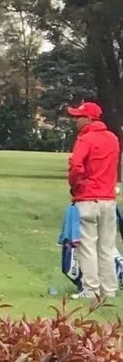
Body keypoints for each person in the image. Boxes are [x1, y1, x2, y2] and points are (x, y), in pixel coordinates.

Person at [66, 100, 120, 299]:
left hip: (87, 198)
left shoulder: (85, 139)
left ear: (89, 119)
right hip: (108, 199)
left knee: (87, 245)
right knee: (107, 246)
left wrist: (75, 186)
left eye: (78, 117)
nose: (75, 121)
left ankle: (91, 290)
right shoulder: (113, 139)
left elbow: (76, 166)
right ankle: (109, 289)